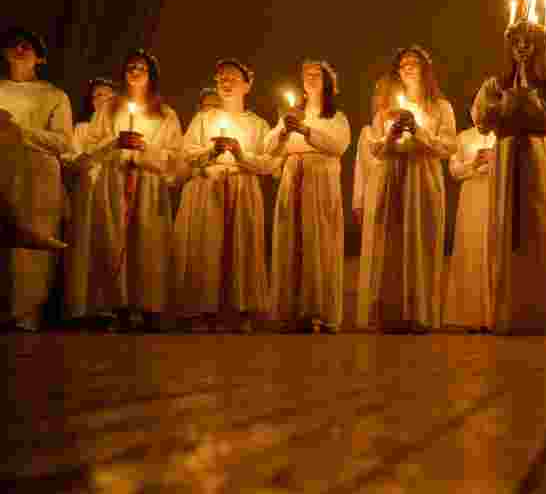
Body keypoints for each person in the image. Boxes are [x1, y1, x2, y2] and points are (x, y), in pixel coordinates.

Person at [472, 13, 546, 334]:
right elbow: (481, 121)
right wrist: (504, 104)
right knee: (506, 229)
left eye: (529, 42)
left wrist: (532, 101)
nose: (522, 48)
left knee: (538, 228)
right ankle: (506, 315)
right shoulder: (494, 84)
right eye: (516, 43)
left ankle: (538, 314)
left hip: (537, 157)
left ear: (540, 46)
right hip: (506, 154)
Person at [72, 49, 183, 332]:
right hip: (115, 181)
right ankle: (117, 305)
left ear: (152, 75)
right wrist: (114, 144)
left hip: (149, 185)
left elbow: (176, 158)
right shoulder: (109, 109)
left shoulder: (166, 114)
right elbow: (90, 147)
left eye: (142, 68)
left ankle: (148, 307)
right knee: (113, 239)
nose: (135, 71)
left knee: (148, 244)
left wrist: (146, 150)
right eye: (131, 66)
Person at [175, 59, 272, 333]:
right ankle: (204, 310)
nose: (226, 83)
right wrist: (210, 152)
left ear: (247, 84)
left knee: (242, 246)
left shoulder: (258, 124)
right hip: (211, 186)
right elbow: (187, 152)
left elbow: (269, 163)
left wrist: (241, 154)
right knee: (208, 246)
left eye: (232, 78)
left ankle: (242, 310)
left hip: (242, 185)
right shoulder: (203, 119)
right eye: (221, 79)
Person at [368, 46, 455, 333]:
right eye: (403, 64)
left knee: (422, 241)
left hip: (423, 177)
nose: (407, 67)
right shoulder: (386, 110)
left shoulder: (441, 107)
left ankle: (420, 314)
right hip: (394, 178)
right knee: (393, 242)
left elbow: (447, 146)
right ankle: (392, 314)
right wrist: (392, 134)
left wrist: (417, 130)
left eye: (413, 63)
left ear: (425, 70)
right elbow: (376, 150)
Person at [265, 59, 350, 333]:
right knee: (291, 240)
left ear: (327, 82)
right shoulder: (290, 115)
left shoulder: (335, 117)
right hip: (293, 176)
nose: (311, 78)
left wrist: (305, 131)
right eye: (306, 75)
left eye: (317, 74)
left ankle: (322, 311)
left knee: (320, 241)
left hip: (320, 179)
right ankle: (292, 311)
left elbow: (338, 145)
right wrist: (283, 130)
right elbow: (267, 147)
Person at [0, 27, 73, 330]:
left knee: (33, 244)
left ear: (39, 57)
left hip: (38, 177)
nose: (20, 50)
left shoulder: (54, 95)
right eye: (14, 45)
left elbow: (63, 142)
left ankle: (28, 315)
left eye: (27, 46)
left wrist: (20, 131)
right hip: (4, 173)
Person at [63, 76, 116, 323]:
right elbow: (73, 156)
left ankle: (108, 304)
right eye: (97, 95)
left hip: (111, 189)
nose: (102, 100)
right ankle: (80, 306)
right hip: (87, 188)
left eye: (107, 95)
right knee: (84, 244)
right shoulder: (82, 129)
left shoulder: (118, 128)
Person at [444, 113, 495, 331]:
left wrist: (494, 160)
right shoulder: (463, 137)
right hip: (472, 194)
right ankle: (471, 314)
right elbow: (454, 170)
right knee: (472, 248)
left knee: (492, 248)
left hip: (494, 192)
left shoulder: (502, 138)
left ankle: (494, 312)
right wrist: (474, 164)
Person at [354, 77, 389, 330]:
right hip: (374, 189)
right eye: (378, 95)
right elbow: (361, 170)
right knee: (372, 247)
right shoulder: (367, 132)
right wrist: (358, 201)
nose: (382, 100)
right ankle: (372, 308)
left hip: (395, 187)